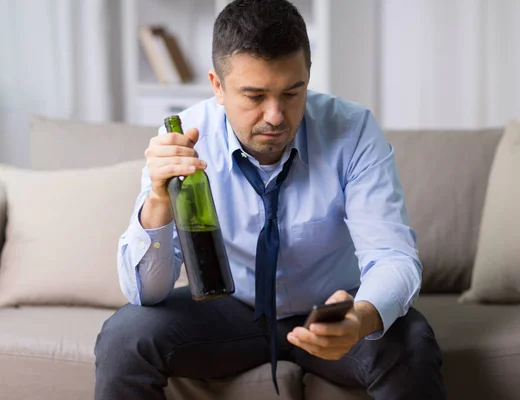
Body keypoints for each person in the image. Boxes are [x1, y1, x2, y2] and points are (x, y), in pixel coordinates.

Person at [94, 0, 445, 398]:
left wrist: (361, 318)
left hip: (329, 311)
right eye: (255, 96)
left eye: (292, 92)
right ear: (217, 87)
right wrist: (158, 198)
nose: (276, 115)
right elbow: (146, 293)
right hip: (229, 310)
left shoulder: (352, 130)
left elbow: (393, 256)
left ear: (307, 78)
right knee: (125, 336)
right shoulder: (184, 136)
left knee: (412, 342)